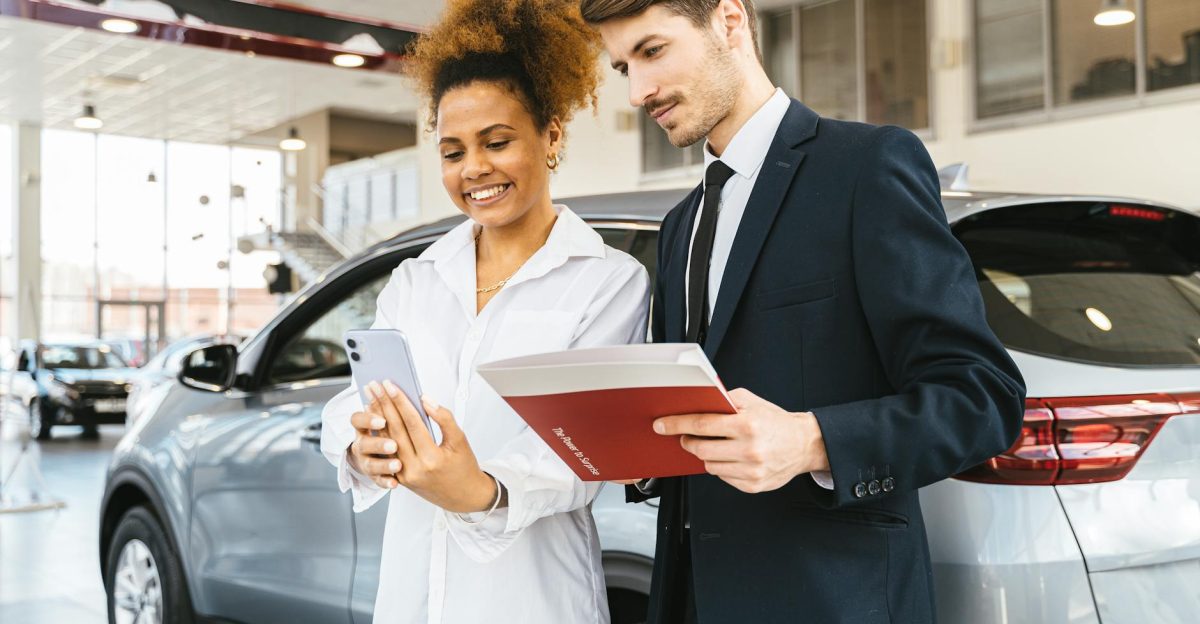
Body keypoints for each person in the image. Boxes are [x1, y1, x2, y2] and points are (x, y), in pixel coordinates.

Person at [581, 0, 1027, 622]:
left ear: (730, 22)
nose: (638, 92)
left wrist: (811, 440)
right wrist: (639, 451)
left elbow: (982, 399)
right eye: (622, 67)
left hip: (835, 600)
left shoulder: (865, 168)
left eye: (652, 52)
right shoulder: (681, 224)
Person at [319, 1, 649, 622]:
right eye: (452, 152)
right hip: (412, 597)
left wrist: (482, 490)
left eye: (497, 142)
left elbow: (586, 457)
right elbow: (354, 400)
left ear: (551, 135)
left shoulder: (608, 282)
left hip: (534, 600)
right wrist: (361, 444)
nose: (474, 169)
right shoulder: (416, 279)